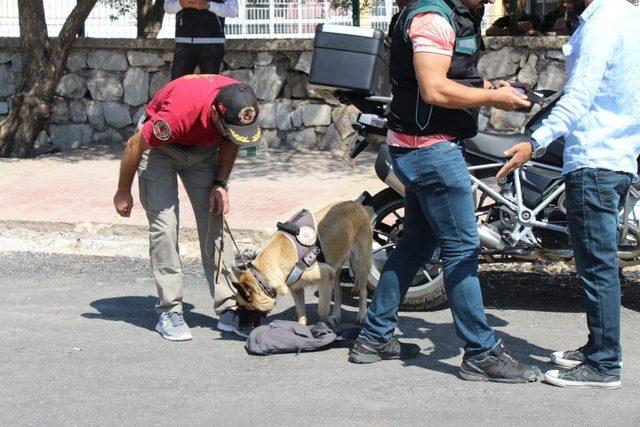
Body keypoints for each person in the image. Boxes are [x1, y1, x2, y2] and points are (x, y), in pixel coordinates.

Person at [347, 0, 543, 384]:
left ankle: (374, 338)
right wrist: (492, 99)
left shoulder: (447, 14)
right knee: (462, 249)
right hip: (430, 150)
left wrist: (492, 87)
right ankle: (481, 353)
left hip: (422, 146)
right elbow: (434, 88)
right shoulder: (433, 18)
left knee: (415, 246)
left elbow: (451, 75)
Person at [497, 0, 640, 389]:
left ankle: (604, 365)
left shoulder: (600, 25)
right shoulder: (629, 16)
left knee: (597, 269)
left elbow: (579, 98)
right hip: (619, 157)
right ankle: (598, 347)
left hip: (594, 160)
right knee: (600, 265)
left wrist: (534, 141)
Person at [113, 74, 262, 341]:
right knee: (165, 227)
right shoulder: (177, 116)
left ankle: (228, 304)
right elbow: (134, 145)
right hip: (162, 150)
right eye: (226, 126)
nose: (231, 132)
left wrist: (220, 184)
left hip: (203, 151)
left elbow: (232, 139)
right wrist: (123, 191)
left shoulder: (240, 104)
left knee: (214, 221)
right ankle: (170, 310)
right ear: (215, 113)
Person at [164, 0, 239, 80]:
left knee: (210, 88)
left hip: (213, 43)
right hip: (184, 42)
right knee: (177, 87)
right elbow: (167, 7)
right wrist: (180, 4)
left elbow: (233, 10)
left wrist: (208, 5)